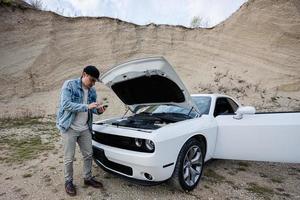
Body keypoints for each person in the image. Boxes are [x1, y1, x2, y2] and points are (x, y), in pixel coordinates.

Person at [56, 65, 106, 196]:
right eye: (92, 79)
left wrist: (98, 110)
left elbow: (92, 108)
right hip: (69, 128)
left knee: (88, 154)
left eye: (95, 81)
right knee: (69, 158)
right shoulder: (69, 85)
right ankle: (68, 182)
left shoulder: (92, 91)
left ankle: (88, 178)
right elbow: (65, 104)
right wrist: (86, 106)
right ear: (84, 74)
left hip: (84, 128)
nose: (93, 83)